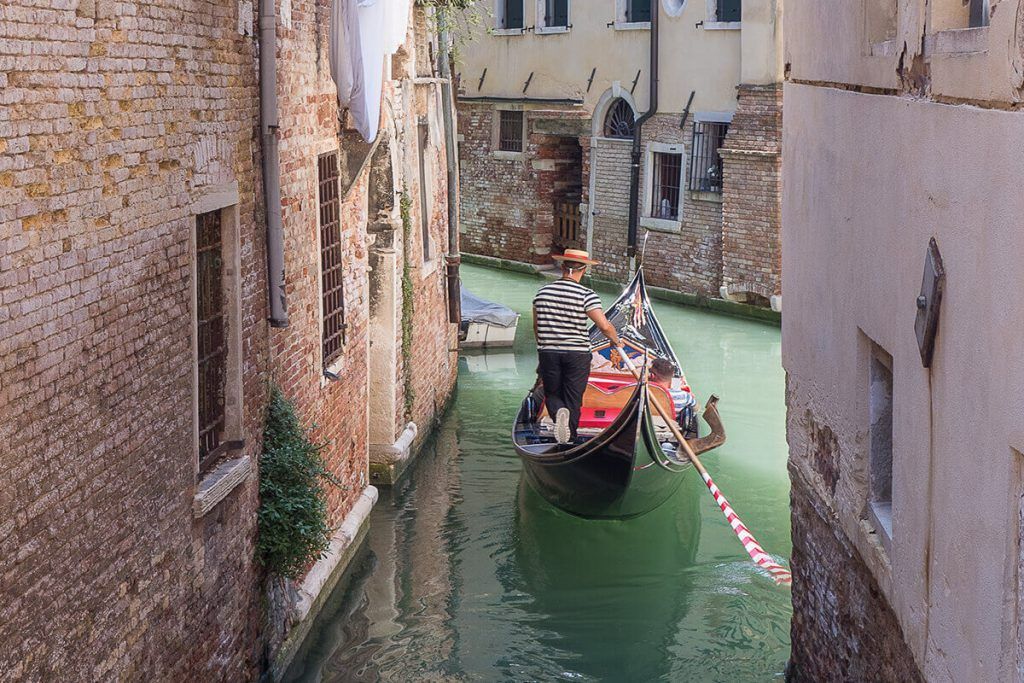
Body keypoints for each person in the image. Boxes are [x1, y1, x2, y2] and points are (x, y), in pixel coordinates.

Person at [533, 249, 622, 444]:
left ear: (563, 267)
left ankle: (558, 413)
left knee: (553, 394)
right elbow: (604, 325)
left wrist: (544, 347)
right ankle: (570, 439)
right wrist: (616, 341)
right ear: (584, 269)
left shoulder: (542, 293)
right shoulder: (587, 295)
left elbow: (537, 327)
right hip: (577, 354)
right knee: (574, 397)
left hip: (549, 352)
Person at [649, 357, 699, 440]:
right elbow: (696, 409)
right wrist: (690, 397)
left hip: (648, 427)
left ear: (652, 375)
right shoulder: (684, 396)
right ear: (672, 376)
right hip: (671, 430)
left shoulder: (643, 392)